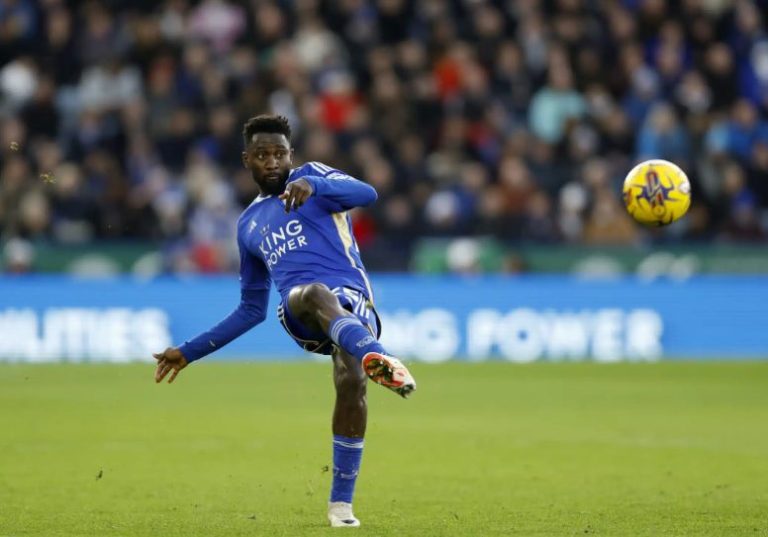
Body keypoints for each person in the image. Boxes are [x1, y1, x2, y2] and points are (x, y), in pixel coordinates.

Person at [152, 114, 416, 528]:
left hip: (354, 302)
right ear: (247, 160)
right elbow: (250, 310)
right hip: (300, 311)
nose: (272, 162)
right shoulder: (247, 226)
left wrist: (316, 184)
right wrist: (189, 352)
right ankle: (378, 355)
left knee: (351, 382)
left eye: (279, 153)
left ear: (291, 155)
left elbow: (369, 193)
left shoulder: (313, 177)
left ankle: (340, 506)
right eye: (262, 155)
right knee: (314, 293)